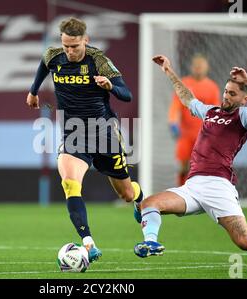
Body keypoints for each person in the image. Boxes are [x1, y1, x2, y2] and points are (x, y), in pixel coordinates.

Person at [134, 54, 247, 270]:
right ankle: (151, 243)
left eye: (232, 93)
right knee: (148, 203)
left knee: (244, 242)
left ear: (243, 99)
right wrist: (169, 71)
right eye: (225, 91)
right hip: (192, 187)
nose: (226, 96)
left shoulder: (244, 117)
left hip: (219, 187)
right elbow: (187, 98)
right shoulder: (210, 112)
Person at [26, 17, 144, 263]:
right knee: (70, 184)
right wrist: (33, 91)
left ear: (86, 41)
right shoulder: (53, 56)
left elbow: (127, 95)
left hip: (103, 131)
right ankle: (88, 244)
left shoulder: (99, 61)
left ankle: (139, 198)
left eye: (75, 46)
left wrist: (110, 85)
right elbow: (43, 66)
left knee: (126, 194)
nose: (69, 51)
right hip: (73, 133)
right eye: (66, 45)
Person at [168, 54, 221, 186]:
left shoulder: (212, 87)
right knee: (184, 166)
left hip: (203, 134)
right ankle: (181, 192)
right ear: (192, 67)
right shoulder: (184, 84)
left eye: (201, 66)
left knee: (202, 167)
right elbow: (176, 105)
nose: (198, 69)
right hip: (186, 134)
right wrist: (173, 122)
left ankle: (200, 194)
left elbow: (216, 110)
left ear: (206, 68)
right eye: (196, 66)